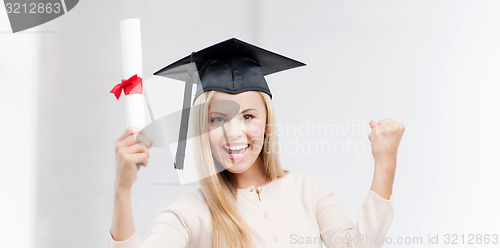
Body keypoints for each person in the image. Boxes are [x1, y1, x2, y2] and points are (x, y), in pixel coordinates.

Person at [108, 38, 405, 248]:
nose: (234, 133)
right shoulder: (189, 213)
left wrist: (385, 164)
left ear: (267, 124)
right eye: (217, 119)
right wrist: (122, 189)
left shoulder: (308, 191)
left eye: (248, 116)